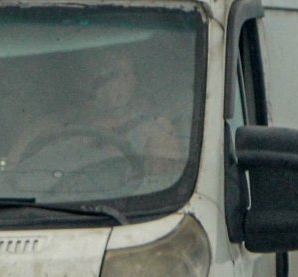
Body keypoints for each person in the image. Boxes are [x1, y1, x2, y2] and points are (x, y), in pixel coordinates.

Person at [9, 49, 186, 180]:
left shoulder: (154, 128)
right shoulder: (45, 128)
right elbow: (9, 178)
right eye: (115, 75)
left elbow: (163, 184)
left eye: (126, 74)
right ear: (83, 80)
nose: (130, 80)